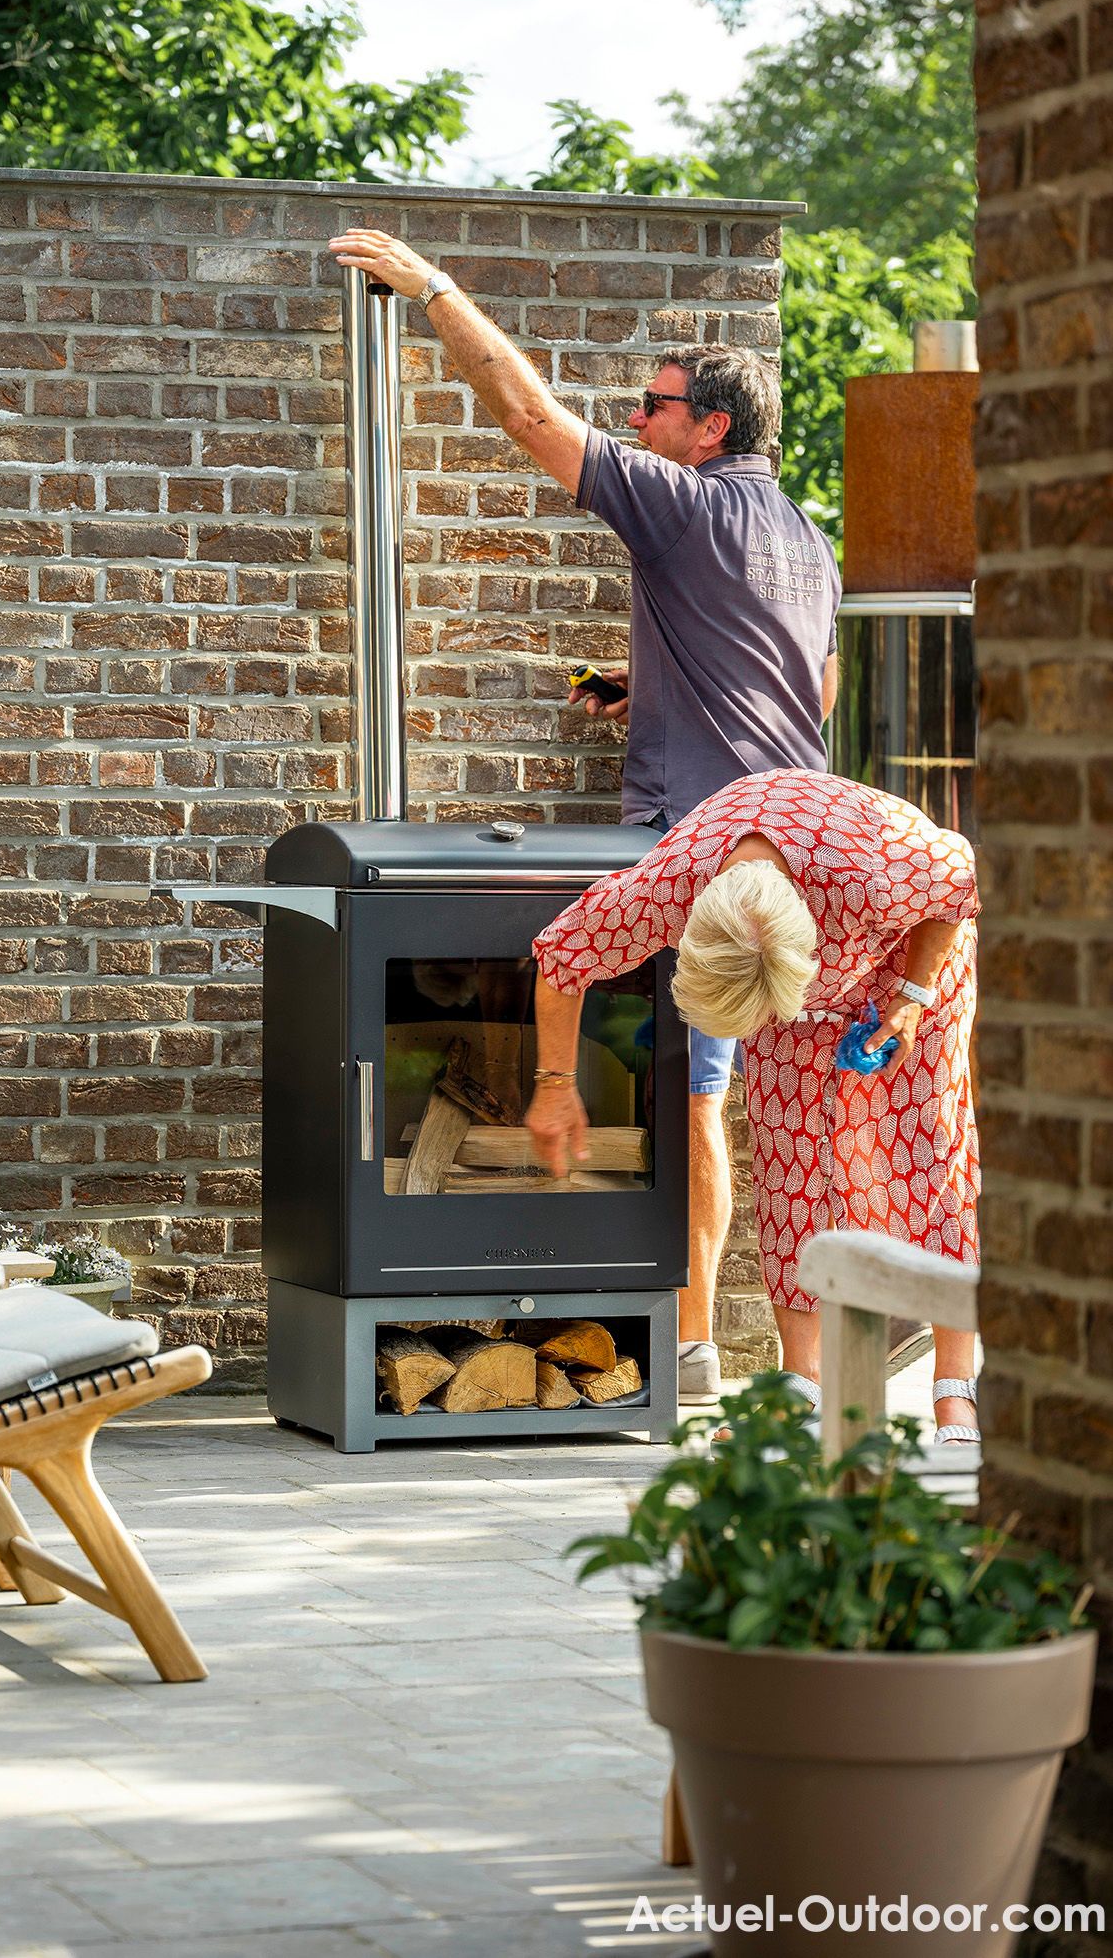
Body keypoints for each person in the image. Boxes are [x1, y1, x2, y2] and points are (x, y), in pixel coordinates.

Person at [329, 228, 840, 1402]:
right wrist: (649, 690)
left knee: (695, 1091)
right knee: (746, 1097)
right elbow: (807, 689)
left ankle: (696, 1342)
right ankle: (767, 1348)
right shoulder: (806, 537)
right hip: (794, 832)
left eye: (654, 404)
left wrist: (435, 290)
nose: (639, 418)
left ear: (710, 428)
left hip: (703, 846)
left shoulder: (679, 506)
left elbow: (527, 416)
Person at [522, 767, 980, 1444]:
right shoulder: (667, 886)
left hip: (906, 962)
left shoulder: (874, 869)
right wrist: (556, 1085)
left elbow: (961, 876)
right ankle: (803, 1386)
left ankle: (954, 1390)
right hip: (791, 977)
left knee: (929, 1147)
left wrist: (913, 994)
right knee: (791, 1161)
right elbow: (563, 955)